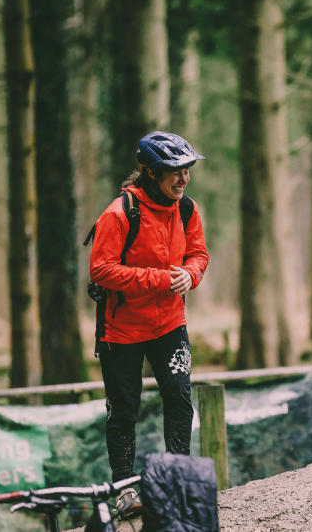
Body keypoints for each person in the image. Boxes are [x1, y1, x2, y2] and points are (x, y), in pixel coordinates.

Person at [89, 131, 210, 517]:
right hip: (121, 330)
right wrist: (160, 279)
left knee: (179, 398)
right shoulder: (119, 213)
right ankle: (125, 489)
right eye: (174, 171)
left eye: (187, 170)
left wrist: (191, 274)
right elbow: (101, 269)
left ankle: (178, 480)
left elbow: (199, 253)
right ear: (149, 172)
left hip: (170, 324)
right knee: (124, 410)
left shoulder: (187, 209)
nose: (183, 179)